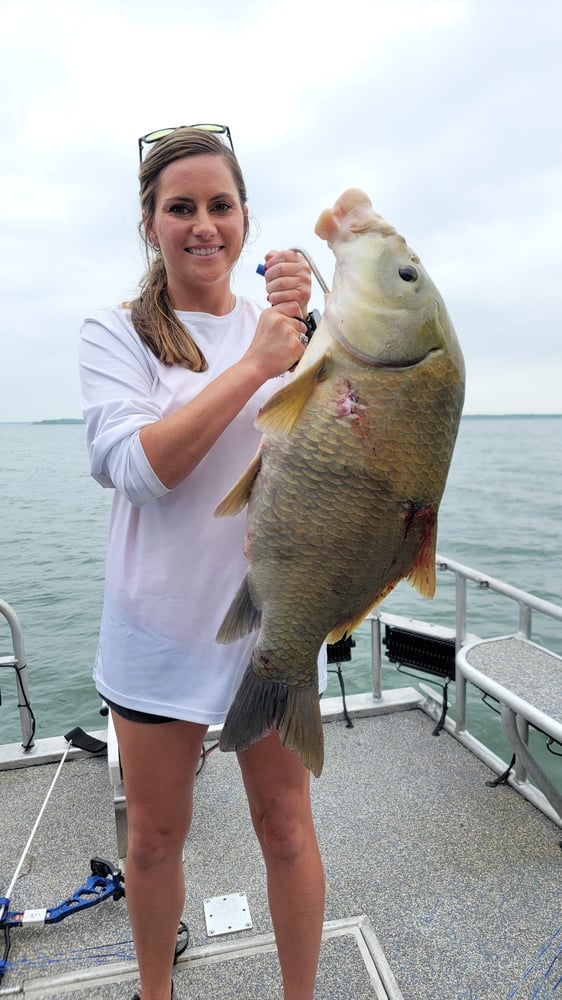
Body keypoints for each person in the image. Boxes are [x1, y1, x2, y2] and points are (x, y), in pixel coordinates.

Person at [79, 125, 327, 1000]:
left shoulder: (290, 331)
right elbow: (140, 471)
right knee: (151, 839)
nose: (202, 224)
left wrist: (314, 321)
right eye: (179, 207)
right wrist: (257, 361)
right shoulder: (115, 334)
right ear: (150, 222)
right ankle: (157, 993)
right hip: (156, 629)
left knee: (288, 829)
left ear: (245, 219)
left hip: (275, 623)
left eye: (220, 206)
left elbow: (349, 426)